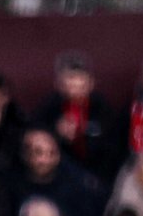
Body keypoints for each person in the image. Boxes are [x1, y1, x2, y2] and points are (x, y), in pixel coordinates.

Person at [34, 52, 120, 182]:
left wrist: (87, 133)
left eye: (79, 82)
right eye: (69, 81)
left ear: (91, 83)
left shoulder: (103, 108)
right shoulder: (48, 109)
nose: (74, 89)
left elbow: (113, 146)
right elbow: (34, 140)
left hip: (98, 175)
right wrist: (55, 133)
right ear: (58, 84)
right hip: (59, 177)